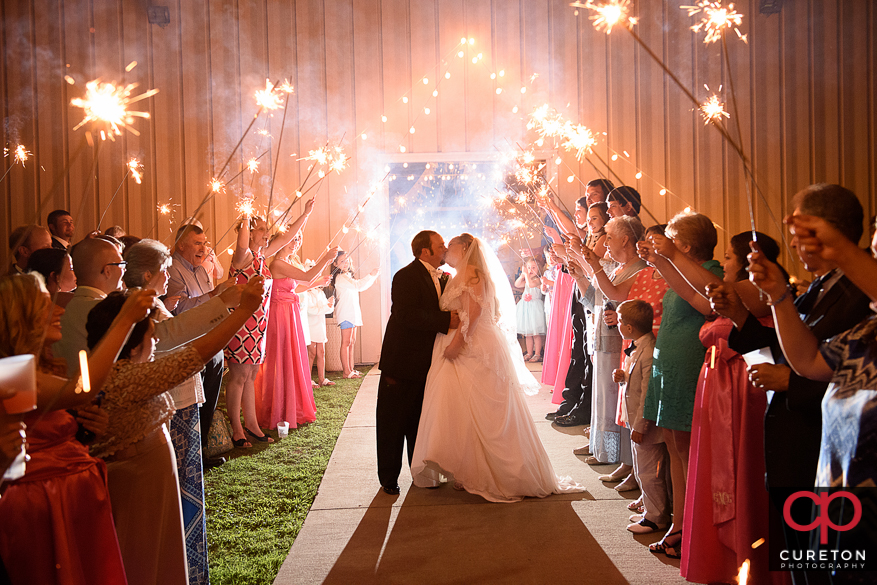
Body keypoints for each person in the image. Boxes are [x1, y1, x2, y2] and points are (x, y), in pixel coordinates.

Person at [85, 276, 265, 585]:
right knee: (144, 560)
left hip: (148, 483)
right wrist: (245, 309)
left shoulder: (116, 372)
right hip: (138, 490)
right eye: (151, 336)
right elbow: (198, 352)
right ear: (130, 346)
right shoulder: (128, 379)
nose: (156, 342)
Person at [0, 273, 156, 585]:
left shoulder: (37, 367)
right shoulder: (8, 372)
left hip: (67, 498)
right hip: (41, 505)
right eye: (47, 306)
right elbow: (82, 389)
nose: (60, 311)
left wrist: (84, 431)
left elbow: (46, 427)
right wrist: (124, 321)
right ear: (22, 317)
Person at [410, 233, 585, 502]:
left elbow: (474, 314)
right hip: (463, 342)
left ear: (465, 249)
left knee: (481, 407)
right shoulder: (459, 274)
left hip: (471, 346)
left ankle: (492, 472)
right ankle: (467, 468)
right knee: (461, 408)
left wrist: (457, 344)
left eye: (452, 244)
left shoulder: (472, 273)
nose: (447, 248)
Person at [640, 211, 722, 558]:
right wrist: (660, 260)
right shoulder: (677, 267)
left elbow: (700, 302)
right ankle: (678, 521)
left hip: (689, 362)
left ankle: (694, 527)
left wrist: (666, 259)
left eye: (671, 238)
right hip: (669, 363)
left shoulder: (713, 272)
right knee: (674, 446)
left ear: (685, 245)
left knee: (689, 449)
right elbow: (678, 290)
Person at [225, 200, 314, 448]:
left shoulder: (262, 256)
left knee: (251, 374)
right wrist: (246, 215)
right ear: (251, 233)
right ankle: (237, 429)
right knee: (238, 375)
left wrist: (305, 214)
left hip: (258, 323)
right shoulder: (242, 256)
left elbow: (287, 236)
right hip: (242, 323)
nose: (267, 233)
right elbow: (243, 242)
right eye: (262, 229)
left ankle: (252, 425)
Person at [376, 230, 459, 495]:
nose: (444, 249)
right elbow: (405, 315)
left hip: (429, 362)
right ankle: (388, 479)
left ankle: (420, 472)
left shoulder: (446, 278)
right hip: (401, 361)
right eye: (440, 245)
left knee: (419, 421)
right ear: (425, 251)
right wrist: (446, 322)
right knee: (392, 422)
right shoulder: (405, 276)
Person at [254, 235, 337, 430]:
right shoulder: (277, 264)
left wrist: (317, 283)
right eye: (293, 240)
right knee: (281, 360)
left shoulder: (287, 263)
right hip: (280, 316)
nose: (296, 243)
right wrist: (326, 259)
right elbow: (306, 277)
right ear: (281, 242)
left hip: (290, 314)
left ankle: (292, 406)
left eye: (298, 241)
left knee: (291, 360)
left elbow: (297, 286)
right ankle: (278, 409)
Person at [166, 222, 233, 460]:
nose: (203, 248)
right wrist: (216, 295)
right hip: (191, 344)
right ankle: (191, 454)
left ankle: (203, 451)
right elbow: (182, 308)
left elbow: (210, 306)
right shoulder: (172, 269)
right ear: (180, 245)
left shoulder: (203, 271)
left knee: (210, 399)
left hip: (211, 340)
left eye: (205, 243)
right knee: (193, 402)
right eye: (197, 243)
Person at [612, 300, 669, 534]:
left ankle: (656, 517)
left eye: (618, 321)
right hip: (635, 419)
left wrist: (640, 425)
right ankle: (648, 506)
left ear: (628, 328)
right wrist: (623, 376)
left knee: (649, 472)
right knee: (640, 467)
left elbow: (648, 393)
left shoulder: (648, 352)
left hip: (645, 424)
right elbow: (635, 380)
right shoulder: (637, 346)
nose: (617, 324)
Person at [330, 250, 379, 379]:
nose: (346, 263)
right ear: (335, 264)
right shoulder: (340, 278)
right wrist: (371, 275)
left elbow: (359, 286)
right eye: (342, 261)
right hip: (346, 313)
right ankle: (346, 371)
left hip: (352, 313)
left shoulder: (348, 276)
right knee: (346, 342)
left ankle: (351, 369)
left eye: (347, 260)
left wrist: (372, 276)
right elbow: (358, 286)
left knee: (352, 342)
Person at [515, 257, 546, 361]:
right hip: (526, 309)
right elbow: (517, 284)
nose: (530, 270)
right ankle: (529, 352)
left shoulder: (538, 280)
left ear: (539, 269)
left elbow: (530, 284)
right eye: (528, 268)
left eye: (533, 267)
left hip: (535, 309)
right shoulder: (526, 278)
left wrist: (527, 275)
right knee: (528, 334)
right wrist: (522, 275)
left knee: (536, 333)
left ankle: (537, 353)